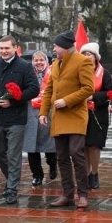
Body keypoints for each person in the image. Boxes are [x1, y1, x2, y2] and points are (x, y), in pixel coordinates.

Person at [0, 35, 39, 204]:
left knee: (13, 155)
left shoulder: (25, 66)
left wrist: (13, 101)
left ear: (15, 48)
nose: (4, 51)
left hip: (16, 118)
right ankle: (11, 179)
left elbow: (33, 89)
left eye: (7, 48)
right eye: (2, 48)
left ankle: (12, 188)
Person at [39, 30, 94, 208]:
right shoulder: (56, 63)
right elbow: (48, 90)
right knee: (61, 157)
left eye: (55, 45)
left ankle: (83, 194)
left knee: (76, 154)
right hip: (58, 117)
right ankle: (68, 194)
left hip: (76, 116)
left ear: (64, 46)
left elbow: (88, 88)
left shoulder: (83, 61)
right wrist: (43, 112)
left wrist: (67, 101)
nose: (53, 49)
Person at [80, 43, 112, 189]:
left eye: (89, 54)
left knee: (94, 146)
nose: (87, 57)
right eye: (84, 54)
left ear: (96, 57)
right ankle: (86, 175)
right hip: (80, 114)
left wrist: (93, 96)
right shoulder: (78, 71)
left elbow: (109, 93)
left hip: (98, 114)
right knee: (83, 146)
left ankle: (94, 174)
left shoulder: (104, 74)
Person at [23, 51, 57, 186]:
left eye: (41, 60)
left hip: (49, 113)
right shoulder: (28, 74)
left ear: (46, 61)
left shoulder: (53, 73)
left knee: (51, 147)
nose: (39, 63)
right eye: (36, 60)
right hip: (31, 113)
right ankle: (37, 175)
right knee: (32, 147)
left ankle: (53, 165)